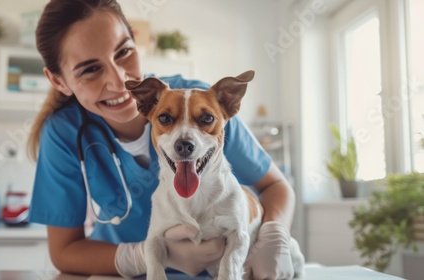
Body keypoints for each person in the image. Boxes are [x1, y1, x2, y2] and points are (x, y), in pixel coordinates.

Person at [28, 0, 302, 279]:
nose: (119, 80)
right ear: (58, 80)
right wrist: (137, 257)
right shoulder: (64, 133)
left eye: (123, 51)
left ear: (136, 39)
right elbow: (64, 252)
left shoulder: (201, 106)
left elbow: (276, 186)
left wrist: (274, 236)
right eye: (89, 69)